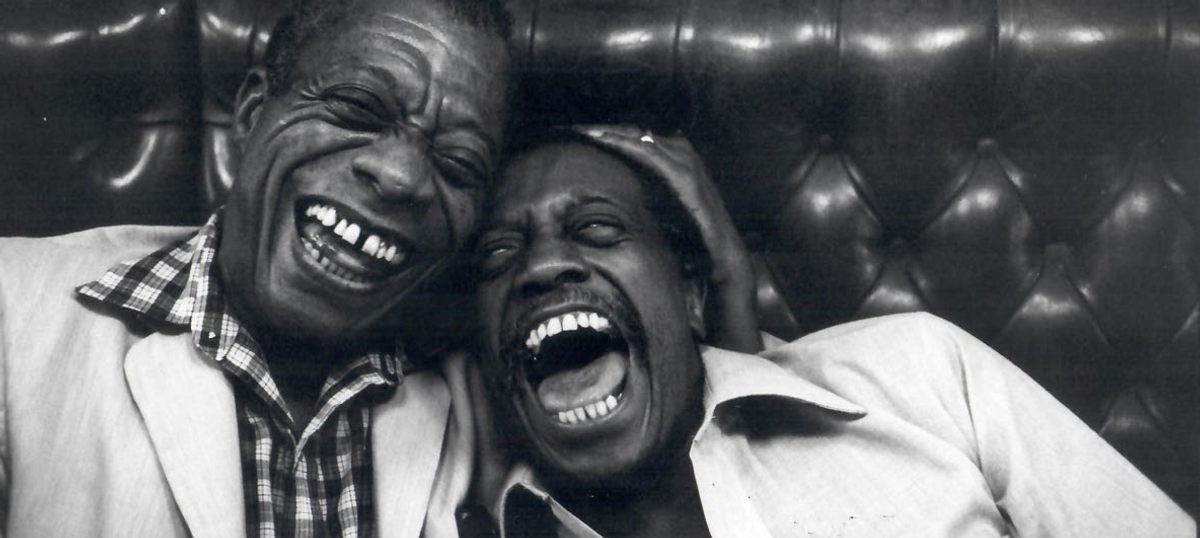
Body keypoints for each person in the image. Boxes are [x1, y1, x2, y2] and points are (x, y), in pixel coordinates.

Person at [469, 128, 1196, 537]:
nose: (543, 265)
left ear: (692, 292)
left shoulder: (918, 371)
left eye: (596, 228)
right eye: (499, 253)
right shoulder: (470, 506)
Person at [0, 0, 510, 535]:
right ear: (251, 112)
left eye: (459, 162)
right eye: (358, 107)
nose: (402, 175)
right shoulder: (13, 309)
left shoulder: (488, 405)